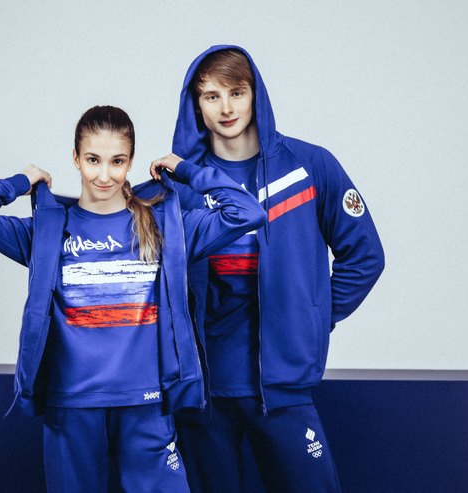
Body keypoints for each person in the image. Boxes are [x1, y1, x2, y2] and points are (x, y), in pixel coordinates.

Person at [0, 105, 267, 492]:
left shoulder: (166, 226)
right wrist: (20, 181)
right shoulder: (47, 231)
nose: (104, 175)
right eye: (93, 160)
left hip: (146, 403)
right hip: (70, 405)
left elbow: (248, 212)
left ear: (130, 161)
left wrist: (187, 170)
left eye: (117, 161)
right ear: (76, 159)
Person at [157, 46, 385, 492]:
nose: (226, 108)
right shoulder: (181, 183)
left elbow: (365, 256)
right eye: (211, 96)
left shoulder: (310, 165)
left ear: (254, 94)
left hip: (281, 383)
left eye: (236, 93)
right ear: (196, 105)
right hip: (203, 392)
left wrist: (314, 317)